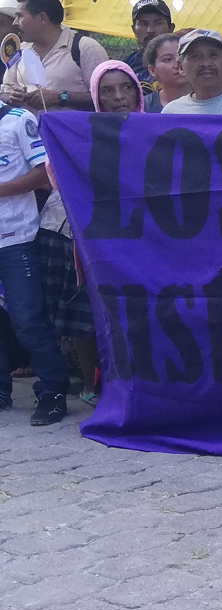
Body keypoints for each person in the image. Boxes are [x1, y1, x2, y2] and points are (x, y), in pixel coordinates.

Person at [39, 61, 141, 406]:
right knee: (88, 311)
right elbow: (58, 176)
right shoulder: (81, 134)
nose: (118, 97)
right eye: (107, 91)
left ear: (138, 91)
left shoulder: (158, 129)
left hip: (147, 236)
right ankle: (93, 382)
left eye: (126, 88)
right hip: (94, 236)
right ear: (96, 97)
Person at [0, 98, 74, 424]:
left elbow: (45, 173)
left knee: (28, 320)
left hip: (16, 238)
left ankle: (53, 390)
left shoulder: (18, 119)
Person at [0, 0, 108, 111]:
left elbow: (106, 97)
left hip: (69, 124)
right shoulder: (20, 50)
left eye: (20, 16)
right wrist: (11, 97)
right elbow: (4, 92)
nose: (15, 23)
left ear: (42, 18)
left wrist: (61, 97)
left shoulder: (85, 48)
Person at [126, 0, 175, 84]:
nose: (150, 30)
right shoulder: (127, 67)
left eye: (158, 23)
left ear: (170, 28)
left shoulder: (184, 63)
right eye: (143, 24)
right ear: (134, 30)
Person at [141, 32, 188, 112]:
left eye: (182, 56)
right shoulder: (143, 108)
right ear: (152, 70)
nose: (177, 64)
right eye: (168, 59)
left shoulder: (208, 100)